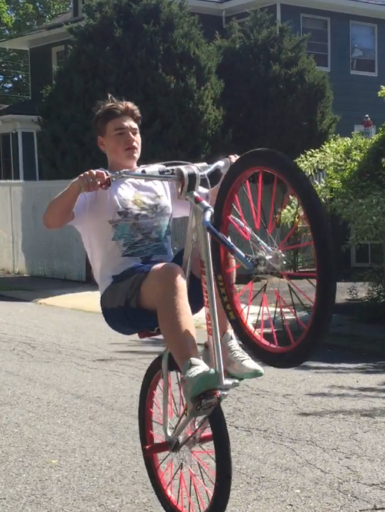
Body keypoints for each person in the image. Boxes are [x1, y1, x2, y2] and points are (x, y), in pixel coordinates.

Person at [43, 96, 263, 407]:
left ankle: (224, 346)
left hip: (171, 288)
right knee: (170, 272)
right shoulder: (96, 188)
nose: (130, 138)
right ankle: (192, 370)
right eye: (120, 133)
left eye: (134, 132)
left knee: (213, 244)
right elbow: (51, 220)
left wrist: (229, 175)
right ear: (102, 143)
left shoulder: (158, 181)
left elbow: (210, 203)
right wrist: (78, 185)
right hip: (121, 298)